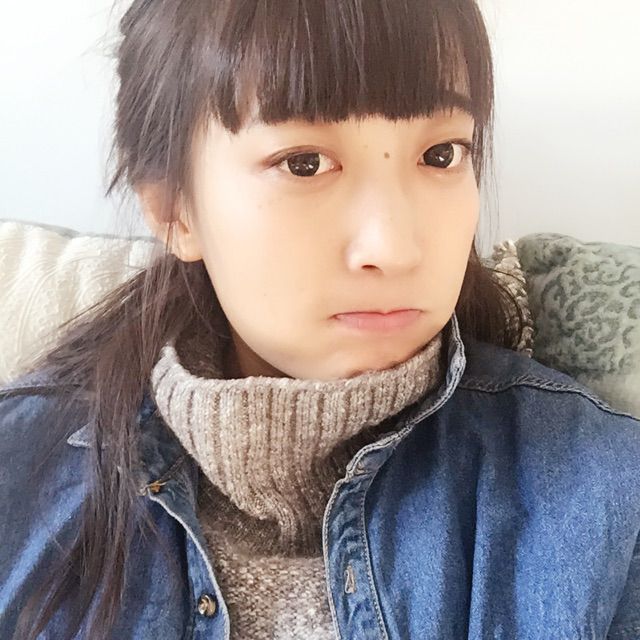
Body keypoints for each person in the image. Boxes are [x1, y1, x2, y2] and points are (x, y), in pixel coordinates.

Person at [1, 0, 639, 638]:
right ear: (174, 209)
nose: (394, 249)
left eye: (441, 154)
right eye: (304, 163)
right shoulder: (20, 477)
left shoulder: (602, 494)